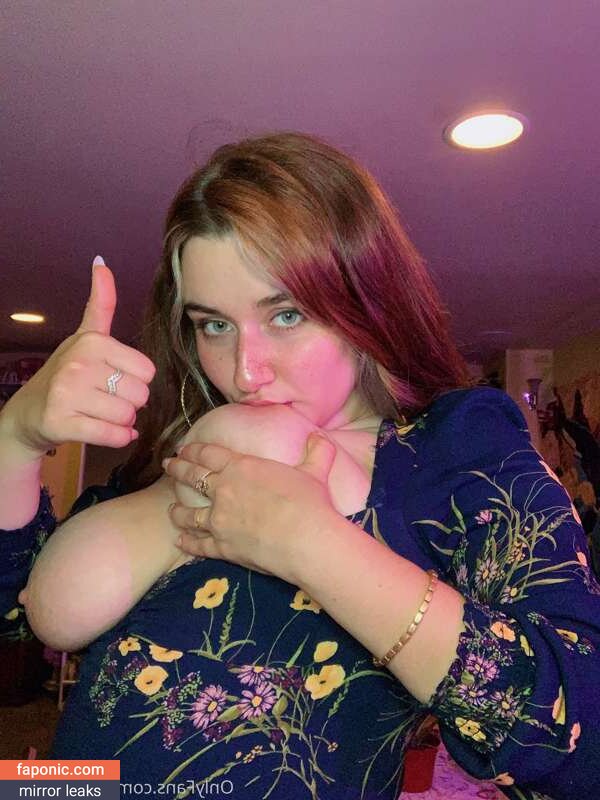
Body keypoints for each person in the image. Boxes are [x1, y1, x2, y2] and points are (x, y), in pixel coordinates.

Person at [1, 132, 598, 800]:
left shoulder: (451, 446)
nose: (245, 371)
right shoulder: (185, 449)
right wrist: (15, 437)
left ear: (366, 301)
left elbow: (584, 736)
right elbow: (24, 616)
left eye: (286, 314)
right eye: (213, 325)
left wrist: (314, 546)